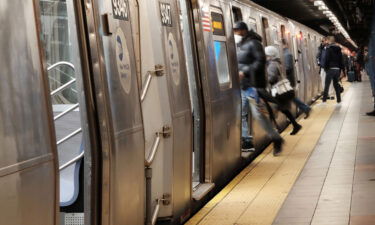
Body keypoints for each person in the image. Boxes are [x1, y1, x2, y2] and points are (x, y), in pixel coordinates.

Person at [234, 21, 284, 156]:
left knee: (258, 115)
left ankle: (276, 138)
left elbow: (260, 61)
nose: (235, 34)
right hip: (243, 86)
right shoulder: (241, 45)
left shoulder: (254, 44)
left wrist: (245, 72)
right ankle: (246, 140)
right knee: (241, 113)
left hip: (253, 86)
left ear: (243, 31)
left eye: (236, 31)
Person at [263, 45, 302, 135]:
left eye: (266, 55)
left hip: (278, 90)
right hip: (281, 90)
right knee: (282, 109)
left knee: (273, 109)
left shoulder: (272, 64)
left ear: (270, 55)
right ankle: (294, 125)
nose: (265, 57)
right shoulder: (277, 62)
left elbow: (272, 78)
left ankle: (275, 130)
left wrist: (265, 80)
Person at [282, 39, 311, 118]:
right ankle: (304, 109)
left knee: (290, 98)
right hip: (287, 81)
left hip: (288, 81)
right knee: (291, 98)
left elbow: (288, 68)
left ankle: (304, 109)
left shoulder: (287, 54)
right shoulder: (285, 53)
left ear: (285, 44)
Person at [322, 36, 343, 103]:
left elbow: (327, 59)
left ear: (329, 41)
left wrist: (325, 68)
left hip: (330, 69)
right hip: (337, 69)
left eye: (327, 40)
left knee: (327, 84)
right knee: (336, 84)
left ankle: (324, 100)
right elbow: (341, 60)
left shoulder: (329, 48)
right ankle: (339, 99)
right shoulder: (338, 49)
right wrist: (341, 69)